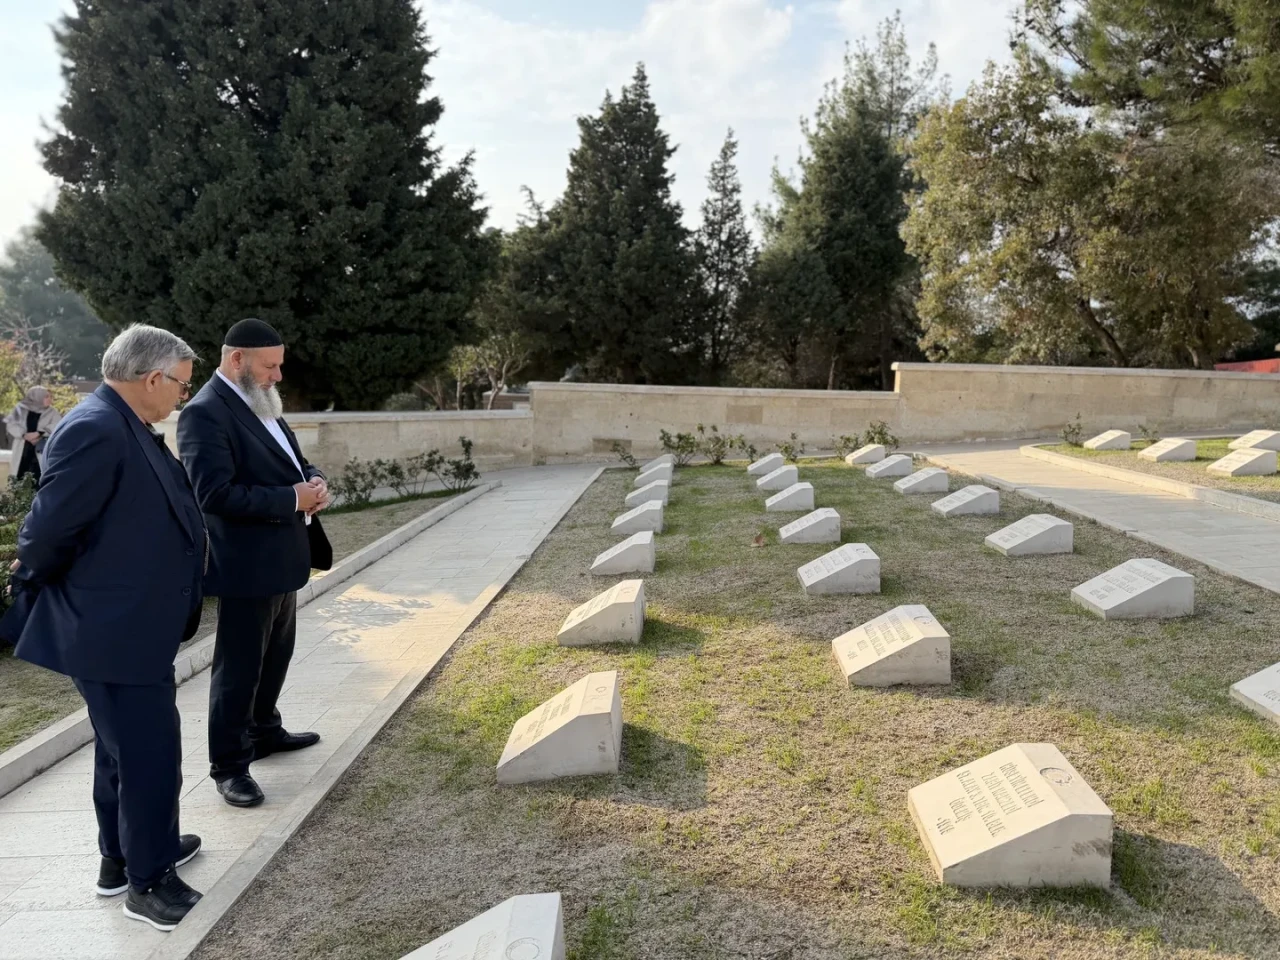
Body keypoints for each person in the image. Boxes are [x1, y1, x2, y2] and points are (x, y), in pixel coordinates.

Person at [0, 325, 206, 931]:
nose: (181, 398)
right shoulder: (96, 427)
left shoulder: (122, 421)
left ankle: (122, 860)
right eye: (181, 386)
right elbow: (47, 530)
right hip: (111, 628)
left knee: (122, 752)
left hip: (128, 626)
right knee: (148, 754)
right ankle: (149, 883)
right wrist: (34, 576)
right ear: (151, 379)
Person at [177, 318, 333, 809]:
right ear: (237, 360)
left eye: (280, 364)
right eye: (270, 365)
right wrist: (292, 497)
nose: (278, 375)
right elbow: (214, 494)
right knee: (238, 669)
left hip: (284, 557)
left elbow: (293, 462)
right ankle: (229, 766)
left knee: (276, 655)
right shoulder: (205, 413)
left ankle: (264, 731)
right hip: (246, 563)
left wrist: (314, 482)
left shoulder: (260, 401)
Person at [5, 386, 62, 484]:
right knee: (19, 479)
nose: (50, 399)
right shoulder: (20, 410)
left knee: (38, 480)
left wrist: (39, 433)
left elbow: (58, 426)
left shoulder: (53, 412)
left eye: (50, 396)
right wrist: (24, 435)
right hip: (23, 450)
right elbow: (11, 424)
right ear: (37, 397)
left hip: (40, 450)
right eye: (46, 396)